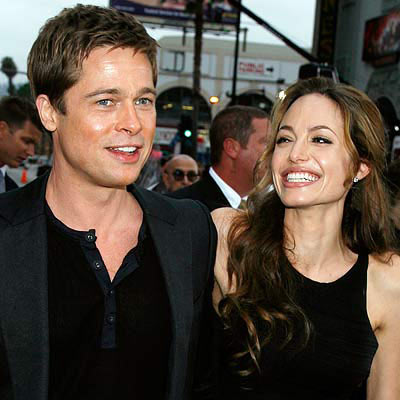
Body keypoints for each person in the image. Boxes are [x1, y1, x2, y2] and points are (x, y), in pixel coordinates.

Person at [0, 5, 216, 400]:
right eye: (105, 101)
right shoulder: (5, 233)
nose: (133, 123)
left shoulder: (190, 230)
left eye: (144, 101)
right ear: (49, 112)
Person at [211, 77, 400, 399]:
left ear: (360, 166)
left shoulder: (387, 280)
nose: (295, 154)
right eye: (284, 139)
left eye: (320, 140)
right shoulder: (230, 238)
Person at [170, 105, 269, 211]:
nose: (275, 151)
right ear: (231, 148)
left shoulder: (272, 209)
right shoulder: (177, 208)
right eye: (267, 143)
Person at [0, 96, 42, 192]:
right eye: (26, 141)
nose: (31, 153)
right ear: (1, 130)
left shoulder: (11, 189)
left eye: (34, 145)